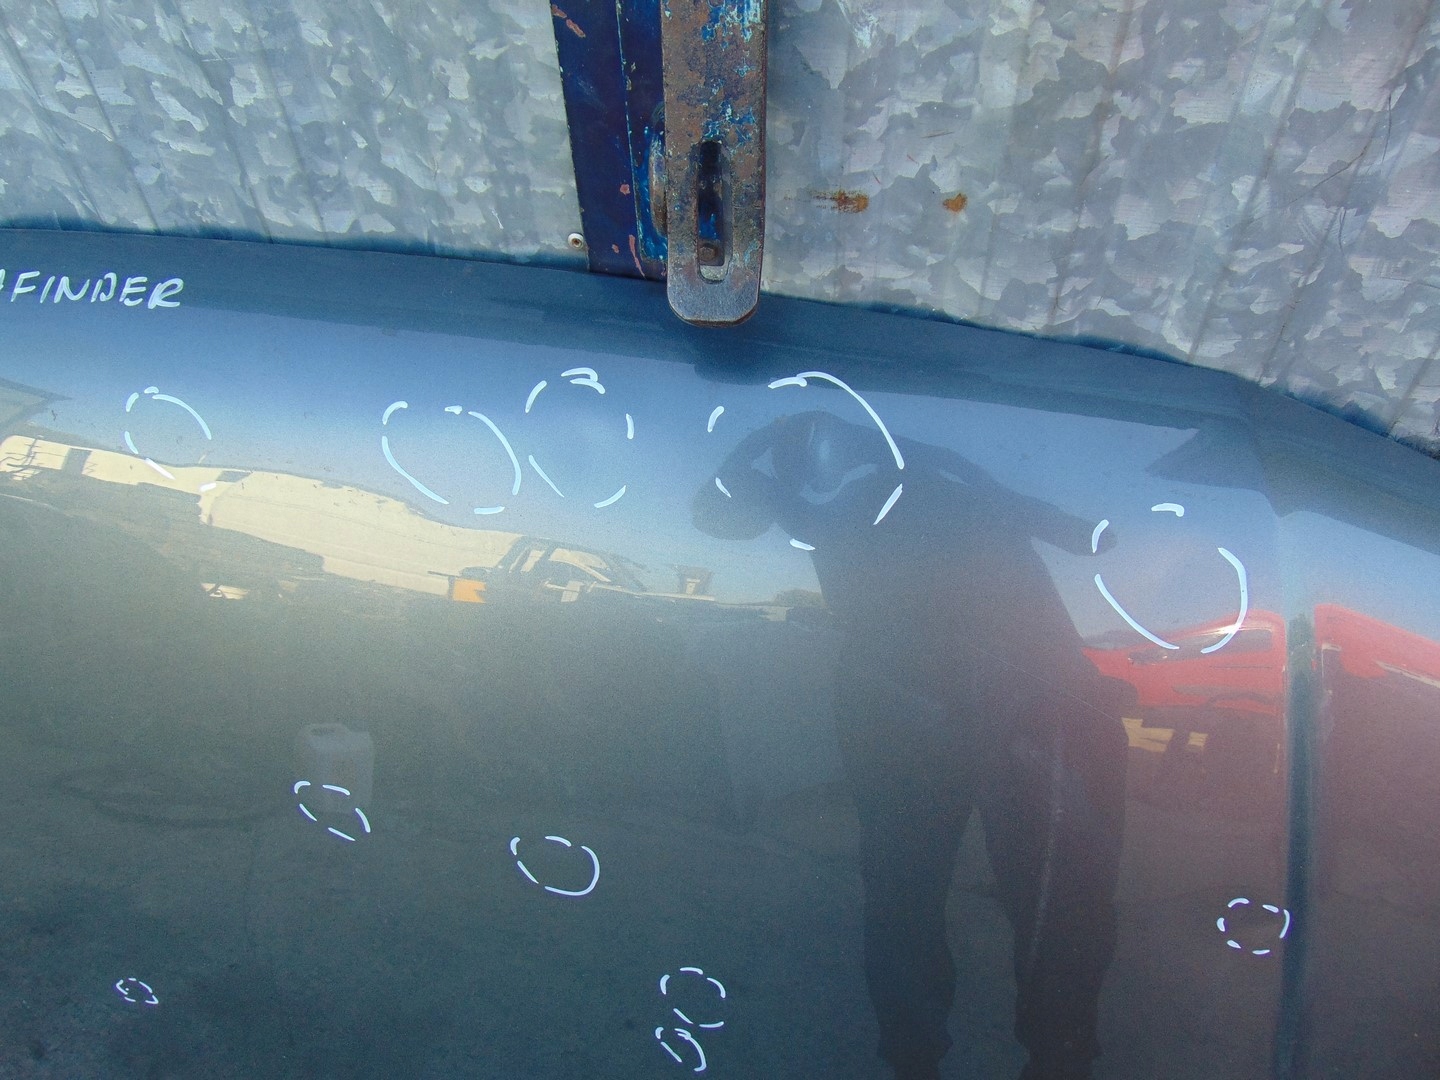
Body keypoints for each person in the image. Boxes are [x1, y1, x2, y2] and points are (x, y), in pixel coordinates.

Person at [694, 411, 1129, 1080]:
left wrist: (769, 452)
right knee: (974, 896)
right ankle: (1025, 1055)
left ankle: (977, 1056)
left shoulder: (855, 502)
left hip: (979, 700)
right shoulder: (912, 491)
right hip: (964, 700)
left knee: (929, 894)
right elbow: (717, 515)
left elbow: (715, 515)